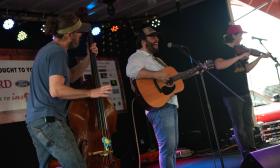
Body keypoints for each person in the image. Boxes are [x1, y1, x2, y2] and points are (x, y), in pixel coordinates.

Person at [25, 14, 112, 168]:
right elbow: (57, 90)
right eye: (78, 32)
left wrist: (88, 58)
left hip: (37, 121)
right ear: (69, 35)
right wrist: (90, 93)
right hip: (48, 121)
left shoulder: (50, 50)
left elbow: (69, 77)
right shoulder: (57, 52)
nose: (81, 36)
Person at [126, 27, 179, 168]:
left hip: (169, 103)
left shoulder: (158, 60)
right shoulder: (137, 57)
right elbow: (131, 71)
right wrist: (157, 75)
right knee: (167, 148)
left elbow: (168, 80)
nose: (157, 40)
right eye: (152, 37)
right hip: (158, 106)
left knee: (172, 147)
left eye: (157, 37)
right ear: (143, 40)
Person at [214, 24, 269, 159]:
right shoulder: (221, 49)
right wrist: (238, 57)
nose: (241, 37)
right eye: (240, 34)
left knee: (249, 123)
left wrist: (259, 58)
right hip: (231, 94)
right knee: (239, 126)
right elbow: (219, 65)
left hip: (244, 91)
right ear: (233, 35)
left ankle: (253, 150)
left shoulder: (239, 50)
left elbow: (247, 69)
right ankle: (245, 153)